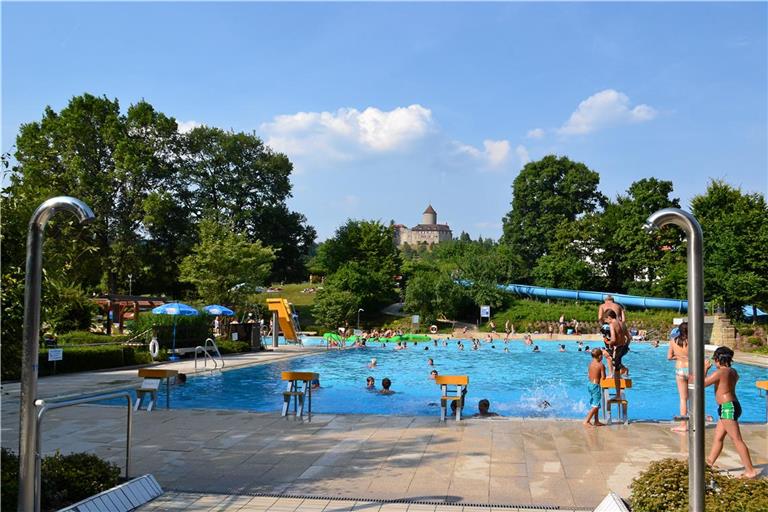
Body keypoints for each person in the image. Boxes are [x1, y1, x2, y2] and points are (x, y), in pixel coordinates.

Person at [704, 347, 759, 478]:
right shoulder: (733, 371)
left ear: (718, 360)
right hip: (731, 406)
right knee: (718, 438)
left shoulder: (721, 372)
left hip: (728, 407)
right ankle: (709, 463)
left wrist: (705, 369)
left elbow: (702, 383)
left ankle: (750, 470)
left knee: (737, 440)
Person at [602, 309, 630, 400]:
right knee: (614, 364)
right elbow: (629, 337)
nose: (606, 321)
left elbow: (613, 339)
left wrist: (608, 342)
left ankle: (618, 395)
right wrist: (625, 346)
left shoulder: (612, 324)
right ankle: (623, 372)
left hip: (617, 348)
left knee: (616, 372)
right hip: (624, 348)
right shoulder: (622, 323)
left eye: (606, 320)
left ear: (609, 317)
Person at [667, 322, 689, 432]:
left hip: (680, 369)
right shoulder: (693, 341)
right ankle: (697, 421)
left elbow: (669, 357)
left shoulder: (673, 341)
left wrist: (680, 357)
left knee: (683, 399)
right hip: (692, 370)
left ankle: (683, 425)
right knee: (695, 397)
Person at [584, 348, 606, 428]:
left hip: (589, 384)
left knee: (595, 403)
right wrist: (604, 370)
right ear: (600, 356)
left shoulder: (590, 364)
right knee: (595, 405)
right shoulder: (601, 365)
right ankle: (586, 421)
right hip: (595, 386)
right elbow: (603, 377)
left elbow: (588, 375)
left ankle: (596, 421)